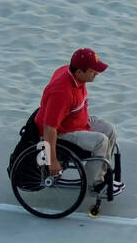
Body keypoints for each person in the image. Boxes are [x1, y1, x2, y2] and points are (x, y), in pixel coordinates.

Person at [35, 48, 122, 195]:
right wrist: (52, 160)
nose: (97, 73)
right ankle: (93, 184)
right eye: (93, 71)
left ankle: (101, 172)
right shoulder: (62, 92)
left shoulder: (74, 75)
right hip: (62, 132)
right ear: (79, 72)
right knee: (101, 141)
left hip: (77, 122)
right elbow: (49, 128)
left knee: (109, 129)